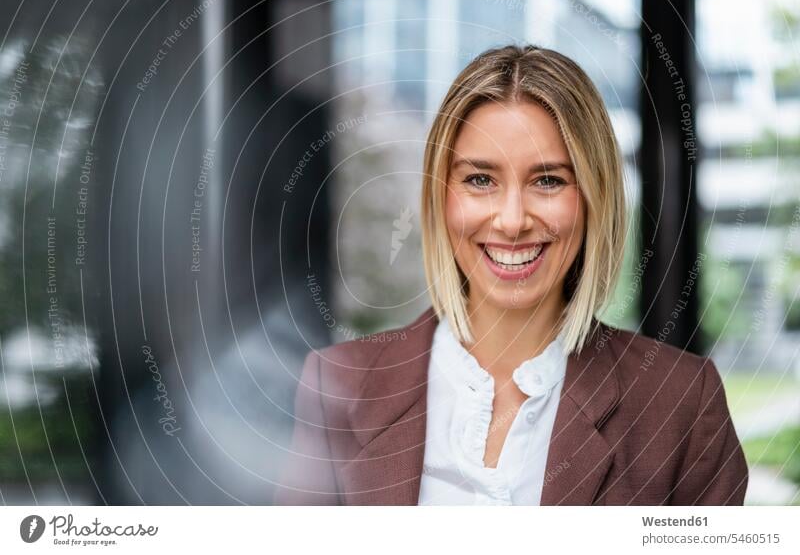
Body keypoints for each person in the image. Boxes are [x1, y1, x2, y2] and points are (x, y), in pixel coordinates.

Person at [274, 45, 748, 506]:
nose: (512, 220)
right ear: (441, 196)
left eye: (548, 180)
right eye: (480, 180)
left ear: (593, 197)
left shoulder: (680, 402)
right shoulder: (339, 385)